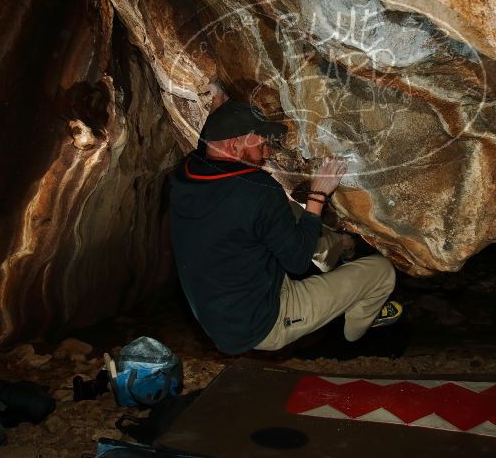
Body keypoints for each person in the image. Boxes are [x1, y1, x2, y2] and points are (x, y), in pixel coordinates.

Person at [168, 97, 401, 355]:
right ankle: (358, 331)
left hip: (223, 305)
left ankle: (337, 249)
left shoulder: (186, 171)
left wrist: (220, 109)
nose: (267, 154)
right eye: (262, 145)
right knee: (382, 271)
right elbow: (297, 262)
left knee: (286, 214)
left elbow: (207, 141)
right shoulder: (260, 190)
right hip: (260, 323)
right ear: (233, 146)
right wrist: (318, 194)